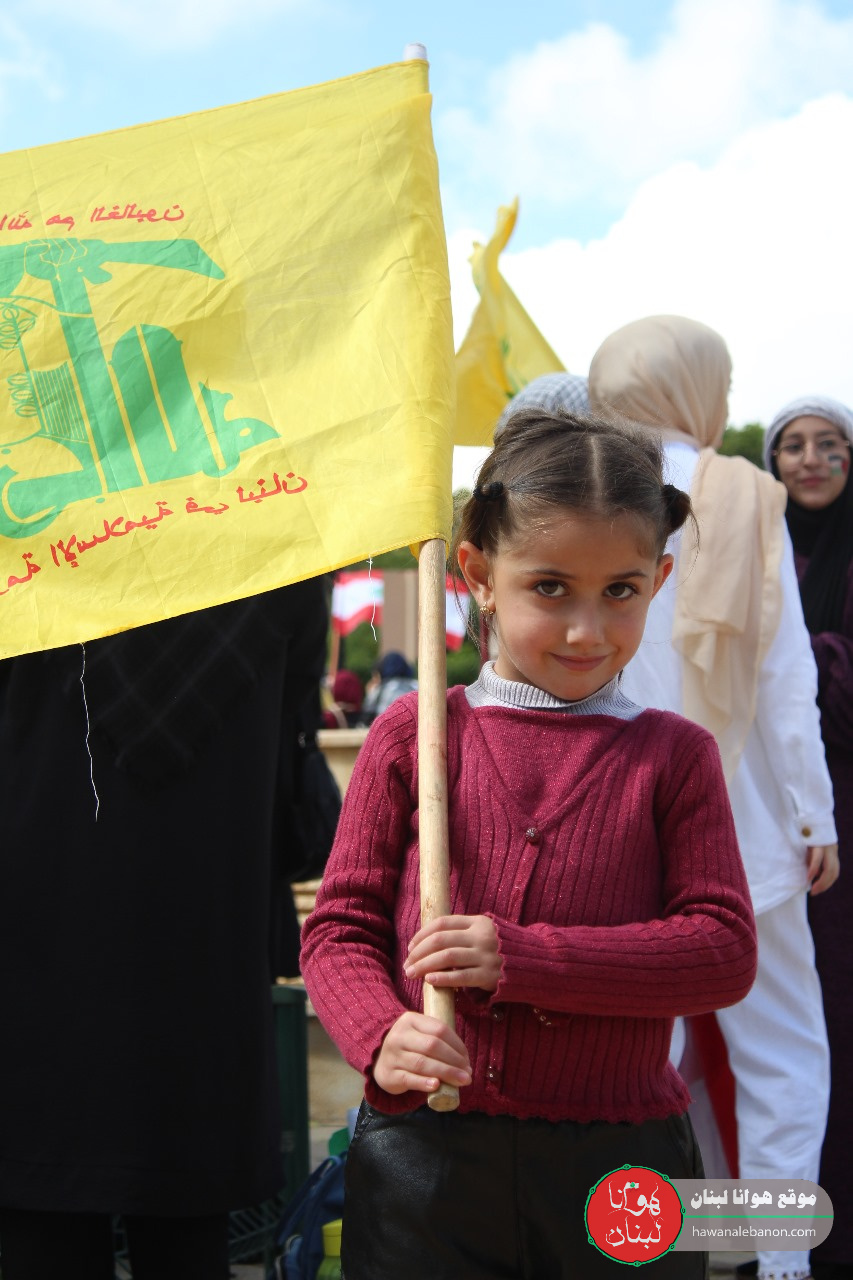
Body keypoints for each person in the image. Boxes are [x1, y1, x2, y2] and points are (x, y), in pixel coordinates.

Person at [301, 408, 757, 1280]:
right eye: (549, 588)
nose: (587, 630)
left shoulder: (675, 756)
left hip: (623, 1163)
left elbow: (721, 951)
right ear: (477, 574)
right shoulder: (414, 734)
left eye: (620, 590)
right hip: (425, 1154)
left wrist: (523, 957)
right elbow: (340, 929)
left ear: (659, 580)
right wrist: (378, 1033)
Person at [587, 316, 838, 1280]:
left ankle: (655, 1247)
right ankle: (773, 1261)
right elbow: (783, 680)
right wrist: (813, 814)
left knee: (646, 1052)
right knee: (780, 1052)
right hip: (745, 823)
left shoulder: (588, 489)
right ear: (696, 388)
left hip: (617, 817)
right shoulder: (741, 495)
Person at [0, 578, 329, 1280]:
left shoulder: (27, 527)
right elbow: (296, 703)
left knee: (41, 1219)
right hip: (203, 937)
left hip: (35, 935)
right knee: (188, 1227)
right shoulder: (271, 543)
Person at [763, 396, 853, 1280]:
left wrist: (796, 662)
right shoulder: (758, 549)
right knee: (791, 1032)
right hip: (780, 817)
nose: (811, 459)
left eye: (830, 445)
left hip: (838, 812)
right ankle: (780, 1242)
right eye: (792, 445)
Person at [360, 650, 418, 722]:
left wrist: (370, 693)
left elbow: (367, 714)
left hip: (388, 726)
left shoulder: (381, 689)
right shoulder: (416, 685)